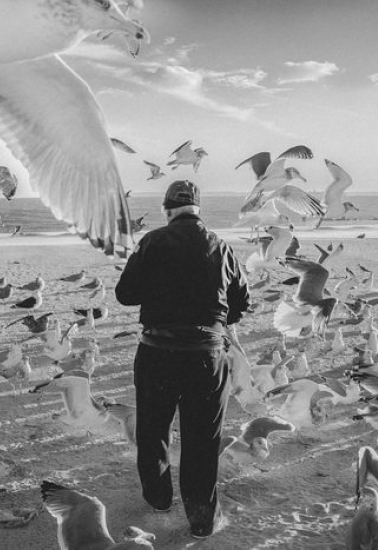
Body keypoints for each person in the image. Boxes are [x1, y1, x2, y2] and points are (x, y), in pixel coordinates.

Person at [115, 180, 250, 539]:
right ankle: (202, 521)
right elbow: (241, 301)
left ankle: (159, 499)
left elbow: (125, 294)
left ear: (167, 209)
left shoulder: (152, 241)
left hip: (157, 351)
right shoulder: (221, 246)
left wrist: (158, 289)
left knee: (153, 430)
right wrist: (214, 320)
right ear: (198, 209)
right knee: (202, 439)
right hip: (207, 354)